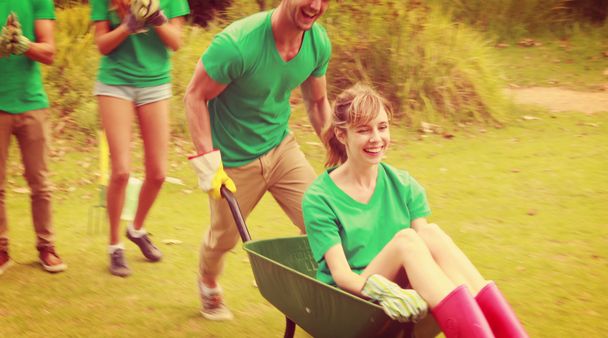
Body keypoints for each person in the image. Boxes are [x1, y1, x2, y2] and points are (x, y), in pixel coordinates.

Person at [302, 84, 529, 338]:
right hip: (351, 299)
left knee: (430, 234)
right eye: (363, 130)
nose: (376, 138)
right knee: (408, 240)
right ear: (342, 135)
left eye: (382, 127)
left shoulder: (404, 185)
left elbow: (430, 251)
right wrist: (384, 291)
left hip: (402, 282)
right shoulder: (320, 197)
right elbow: (342, 276)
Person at [184, 0, 331, 320]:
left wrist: (338, 152)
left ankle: (325, 288)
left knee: (323, 218)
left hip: (281, 148)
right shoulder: (237, 45)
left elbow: (318, 102)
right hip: (234, 160)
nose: (316, 6)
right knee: (223, 239)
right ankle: (207, 282)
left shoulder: (317, 42)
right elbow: (195, 95)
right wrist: (209, 164)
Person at [89, 0, 190, 277]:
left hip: (155, 83)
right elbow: (102, 45)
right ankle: (114, 246)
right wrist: (127, 27)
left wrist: (156, 16)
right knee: (120, 171)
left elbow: (176, 42)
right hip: (115, 83)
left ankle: (135, 228)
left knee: (158, 173)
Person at [0, 1, 66, 275]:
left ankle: (46, 247)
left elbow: (49, 52)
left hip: (31, 102)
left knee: (40, 182)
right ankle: (1, 249)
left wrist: (23, 44)